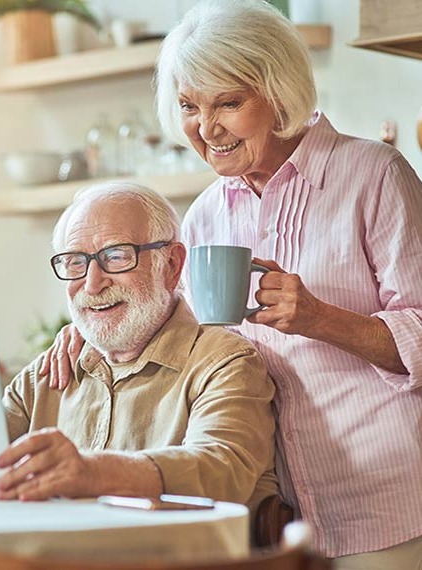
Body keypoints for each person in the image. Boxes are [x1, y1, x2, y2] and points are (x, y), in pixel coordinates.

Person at [39, 1, 422, 567]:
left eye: (229, 103)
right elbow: (182, 340)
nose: (205, 128)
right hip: (271, 512)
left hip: (386, 497)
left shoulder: (375, 175)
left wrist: (319, 318)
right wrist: (92, 332)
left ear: (280, 93)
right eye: (190, 106)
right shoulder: (202, 217)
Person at [0, 181, 277, 515]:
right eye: (75, 262)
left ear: (171, 265)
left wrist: (94, 473)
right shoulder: (46, 374)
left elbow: (222, 468)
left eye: (116, 256)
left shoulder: (224, 362)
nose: (92, 283)